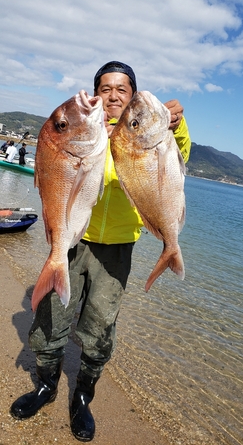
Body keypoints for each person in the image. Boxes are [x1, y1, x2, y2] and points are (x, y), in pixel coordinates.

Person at [10, 61, 191, 442]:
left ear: (132, 95)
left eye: (122, 89)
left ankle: (82, 397)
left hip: (118, 248)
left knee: (99, 328)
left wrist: (177, 125)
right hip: (75, 240)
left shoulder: (140, 133)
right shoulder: (88, 128)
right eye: (105, 87)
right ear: (96, 93)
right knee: (51, 318)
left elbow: (177, 158)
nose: (113, 95)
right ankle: (45, 386)